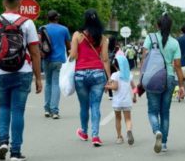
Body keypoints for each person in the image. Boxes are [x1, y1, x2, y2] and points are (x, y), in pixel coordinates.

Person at [0, 0, 42, 161]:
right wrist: (38, 78)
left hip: (1, 72)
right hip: (23, 71)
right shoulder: (27, 23)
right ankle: (15, 152)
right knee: (18, 111)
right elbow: (35, 52)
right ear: (19, 5)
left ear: (4, 3)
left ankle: (3, 142)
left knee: (4, 107)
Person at [142, 13, 184, 153]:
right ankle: (164, 143)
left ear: (157, 26)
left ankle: (156, 131)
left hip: (153, 77)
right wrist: (182, 86)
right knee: (165, 112)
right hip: (169, 77)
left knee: (152, 111)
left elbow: (144, 59)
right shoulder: (175, 43)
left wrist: (143, 77)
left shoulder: (150, 38)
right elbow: (177, 65)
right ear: (170, 27)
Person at [69, 8, 111, 147]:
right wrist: (109, 78)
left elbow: (73, 55)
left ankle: (84, 132)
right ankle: (96, 136)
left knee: (84, 106)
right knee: (95, 106)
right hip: (98, 74)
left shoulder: (77, 35)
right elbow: (105, 59)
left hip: (80, 74)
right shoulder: (103, 37)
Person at [42, 10, 71, 119]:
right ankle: (54, 111)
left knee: (48, 83)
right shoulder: (64, 29)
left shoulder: (42, 28)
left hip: (46, 58)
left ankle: (46, 109)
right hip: (59, 59)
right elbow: (68, 46)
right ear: (57, 18)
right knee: (55, 84)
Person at [105, 55, 137, 145]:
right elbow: (134, 87)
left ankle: (119, 137)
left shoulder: (115, 75)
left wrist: (107, 86)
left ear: (115, 66)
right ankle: (129, 131)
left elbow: (115, 87)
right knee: (128, 119)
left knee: (118, 119)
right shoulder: (129, 75)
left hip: (117, 102)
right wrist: (134, 96)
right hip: (127, 101)